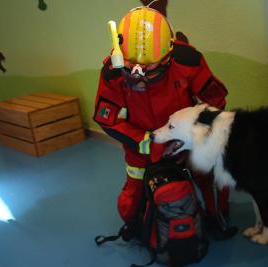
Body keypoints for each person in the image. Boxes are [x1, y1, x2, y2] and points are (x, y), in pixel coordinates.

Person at [93, 5, 236, 239]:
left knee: (209, 183)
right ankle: (140, 225)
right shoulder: (112, 71)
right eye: (131, 65)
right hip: (142, 144)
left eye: (148, 67)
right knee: (131, 201)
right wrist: (144, 142)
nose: (138, 73)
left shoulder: (188, 61)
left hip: (186, 141)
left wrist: (194, 136)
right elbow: (106, 119)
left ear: (168, 54)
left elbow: (216, 102)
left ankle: (214, 220)